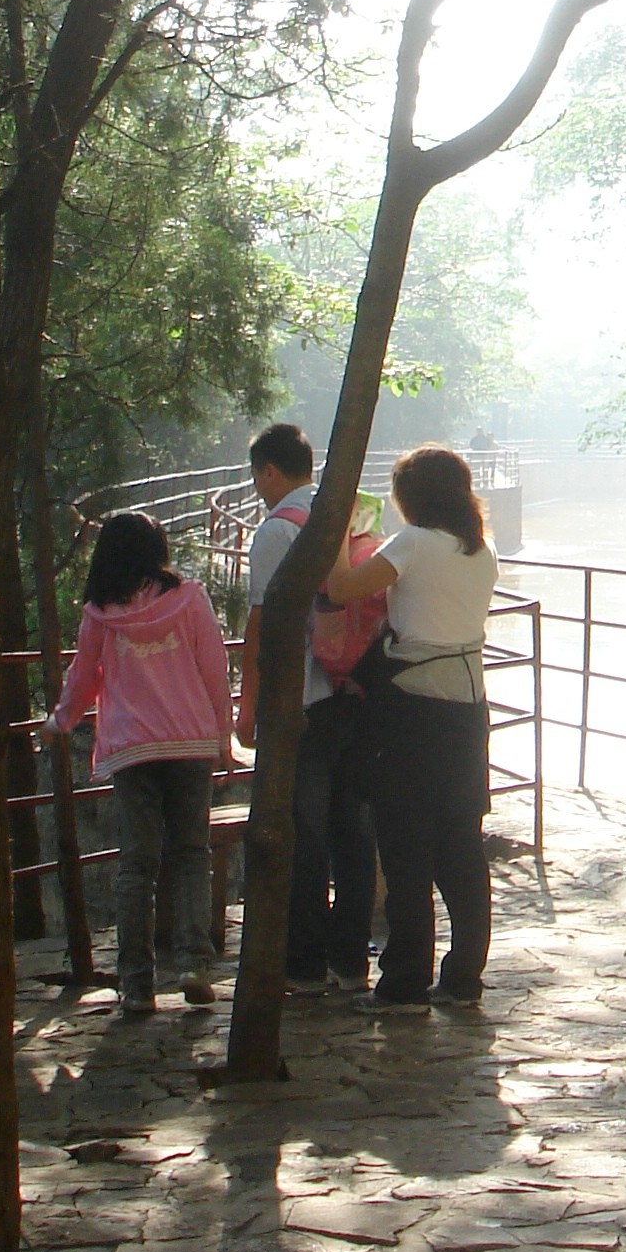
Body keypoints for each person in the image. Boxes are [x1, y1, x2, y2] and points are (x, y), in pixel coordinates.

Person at [326, 443, 496, 1014]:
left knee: (405, 848)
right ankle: (464, 977)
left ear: (411, 497)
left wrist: (339, 535)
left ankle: (403, 982)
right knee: (461, 850)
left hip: (411, 710)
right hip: (468, 710)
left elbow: (342, 589)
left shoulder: (414, 543)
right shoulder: (482, 551)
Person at [44, 512, 231, 1013]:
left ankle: (135, 981)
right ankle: (194, 963)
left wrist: (60, 721)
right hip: (190, 742)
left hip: (132, 749)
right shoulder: (190, 598)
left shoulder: (100, 613)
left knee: (137, 864)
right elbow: (214, 667)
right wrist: (223, 735)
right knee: (191, 853)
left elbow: (83, 678)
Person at [248, 423, 377, 995]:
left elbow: (260, 627)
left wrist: (247, 706)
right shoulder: (349, 516)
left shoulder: (278, 531)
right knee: (352, 828)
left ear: (270, 471)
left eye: (257, 477)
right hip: (354, 688)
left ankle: (301, 961)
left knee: (302, 834)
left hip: (302, 696)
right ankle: (349, 960)